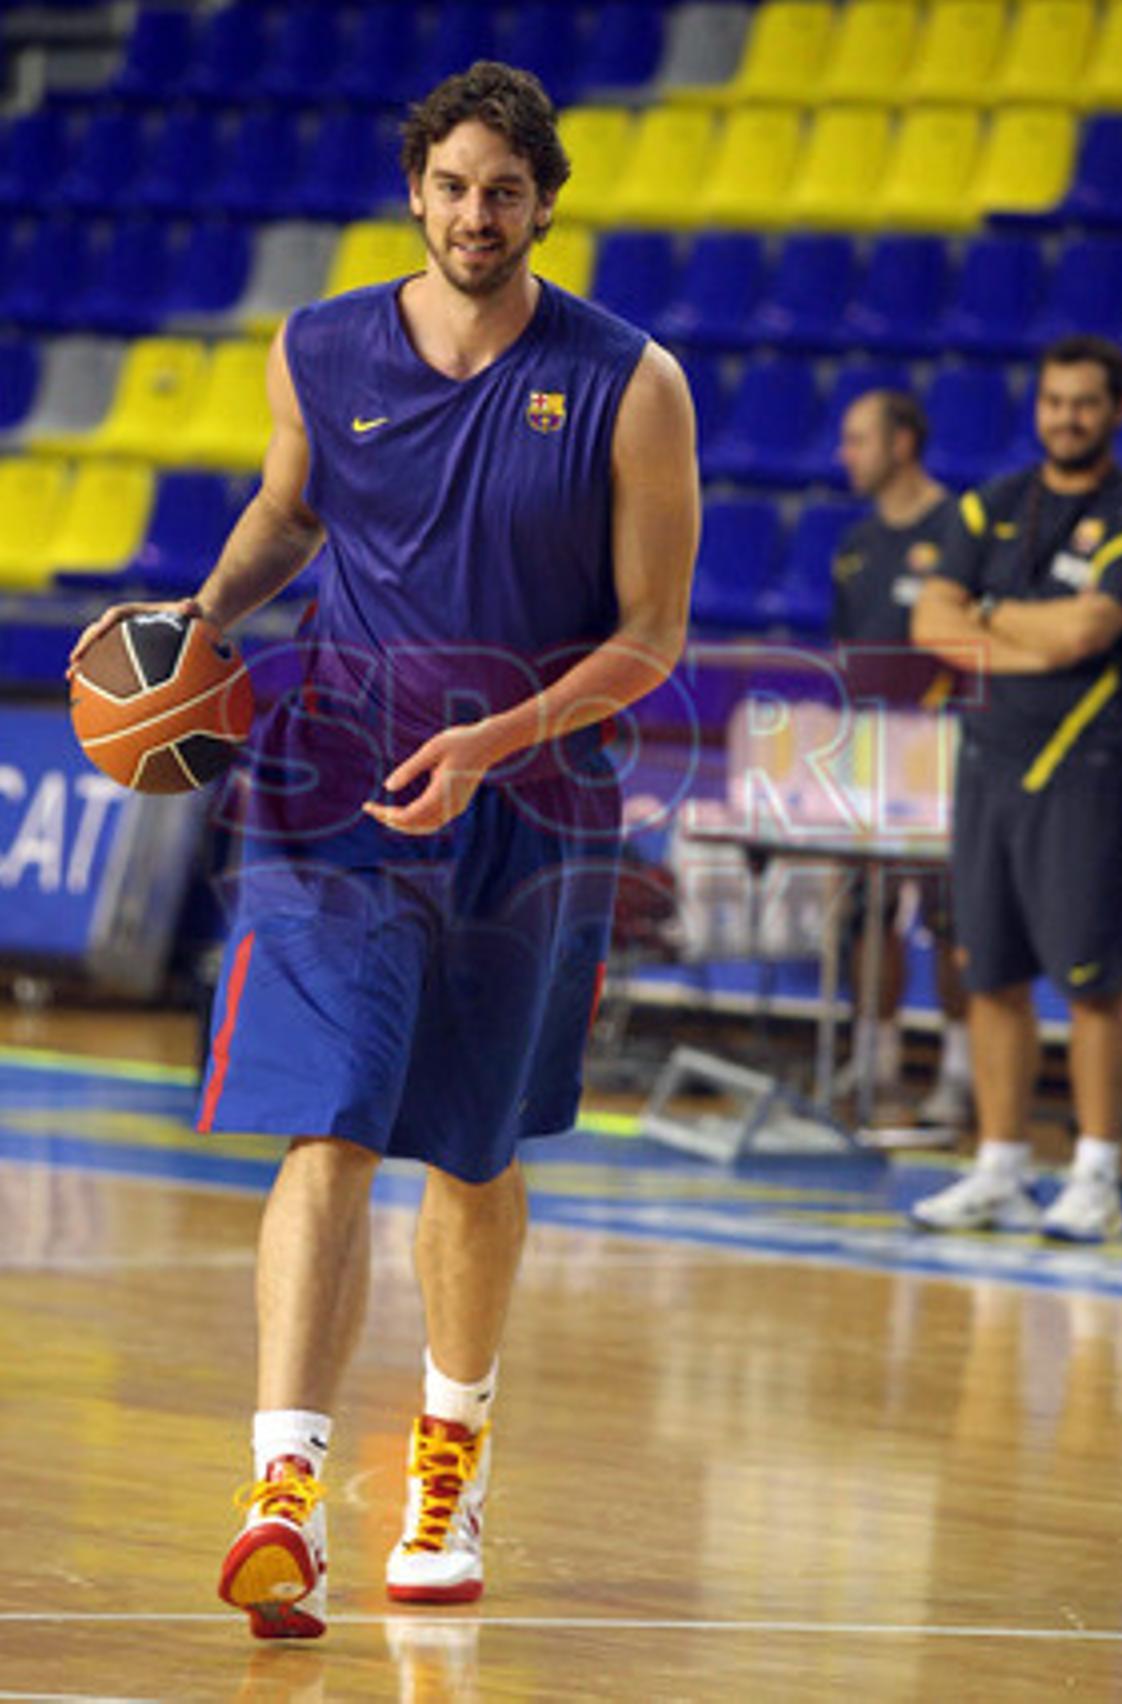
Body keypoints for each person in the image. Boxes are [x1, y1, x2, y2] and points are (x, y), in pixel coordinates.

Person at [69, 62, 699, 1639]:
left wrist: (496, 740)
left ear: (544, 200)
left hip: (534, 798)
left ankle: (448, 1463)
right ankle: (281, 1491)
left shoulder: (631, 384)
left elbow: (651, 638)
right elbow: (291, 509)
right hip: (335, 780)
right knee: (329, 1122)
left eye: (505, 189)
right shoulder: (321, 345)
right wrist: (196, 628)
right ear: (415, 194)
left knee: (473, 1154)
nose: (476, 214)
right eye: (451, 186)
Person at [909, 336, 1122, 1242]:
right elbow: (927, 621)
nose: (1067, 418)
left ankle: (1095, 1176)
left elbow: (1080, 638)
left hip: (1082, 773)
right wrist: (1012, 628)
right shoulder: (989, 506)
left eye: (1085, 404)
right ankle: (1001, 1167)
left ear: (1117, 411)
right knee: (992, 974)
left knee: (1093, 982)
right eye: (1054, 401)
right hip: (987, 766)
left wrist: (987, 617)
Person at [832, 390, 972, 1125]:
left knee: (953, 917)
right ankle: (874, 1055)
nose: (843, 455)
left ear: (903, 444)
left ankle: (958, 1069)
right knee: (868, 913)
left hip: (948, 756)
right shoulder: (855, 547)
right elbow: (848, 659)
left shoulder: (962, 532)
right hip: (871, 754)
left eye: (858, 440)